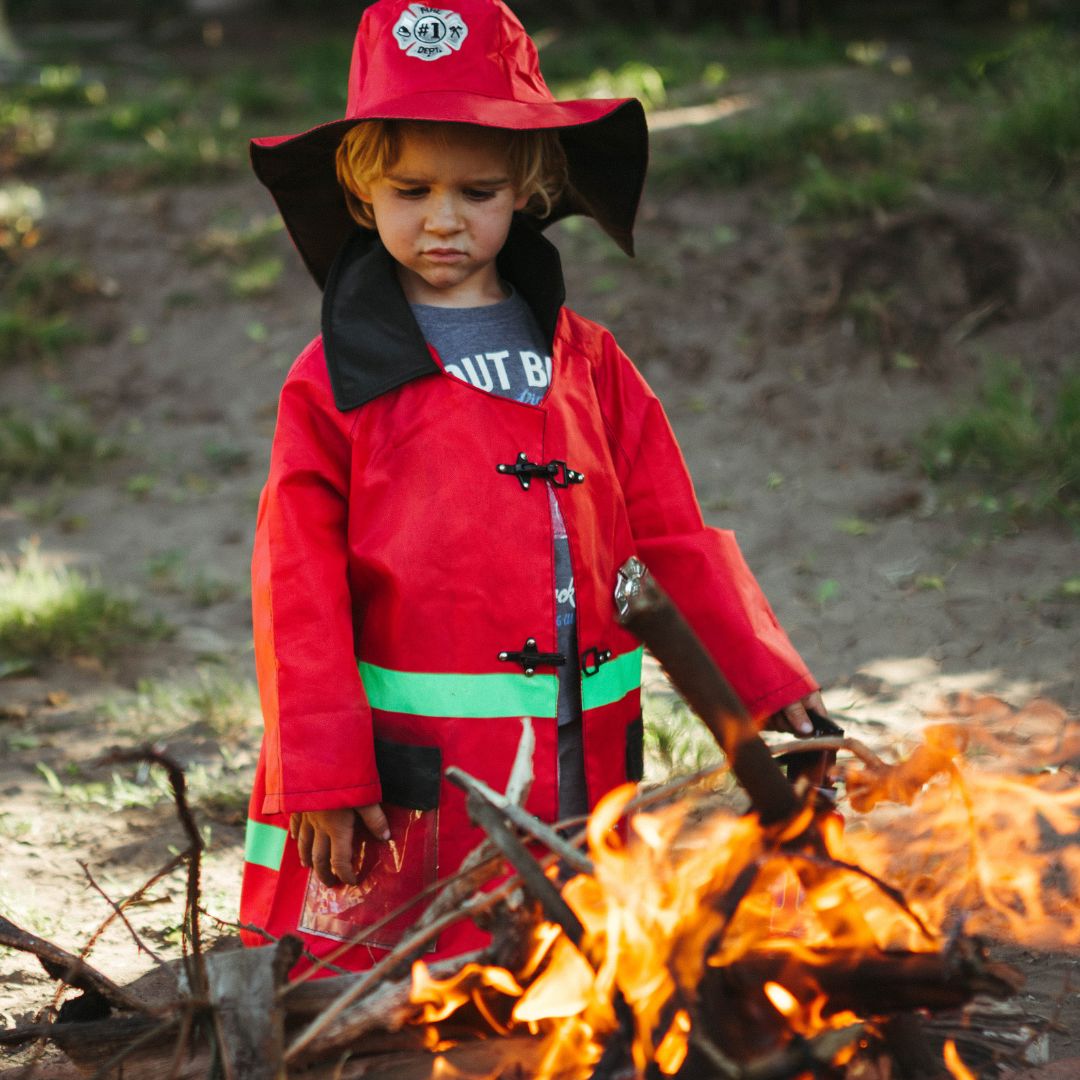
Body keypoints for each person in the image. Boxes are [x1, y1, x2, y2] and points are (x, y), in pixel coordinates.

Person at [239, 0, 826, 974]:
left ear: (528, 187)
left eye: (476, 191)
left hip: (577, 773)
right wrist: (325, 770)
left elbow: (673, 539)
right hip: (412, 791)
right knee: (408, 998)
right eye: (410, 188)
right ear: (358, 187)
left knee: (560, 985)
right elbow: (292, 587)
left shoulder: (589, 364)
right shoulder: (328, 381)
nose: (442, 219)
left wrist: (764, 685)